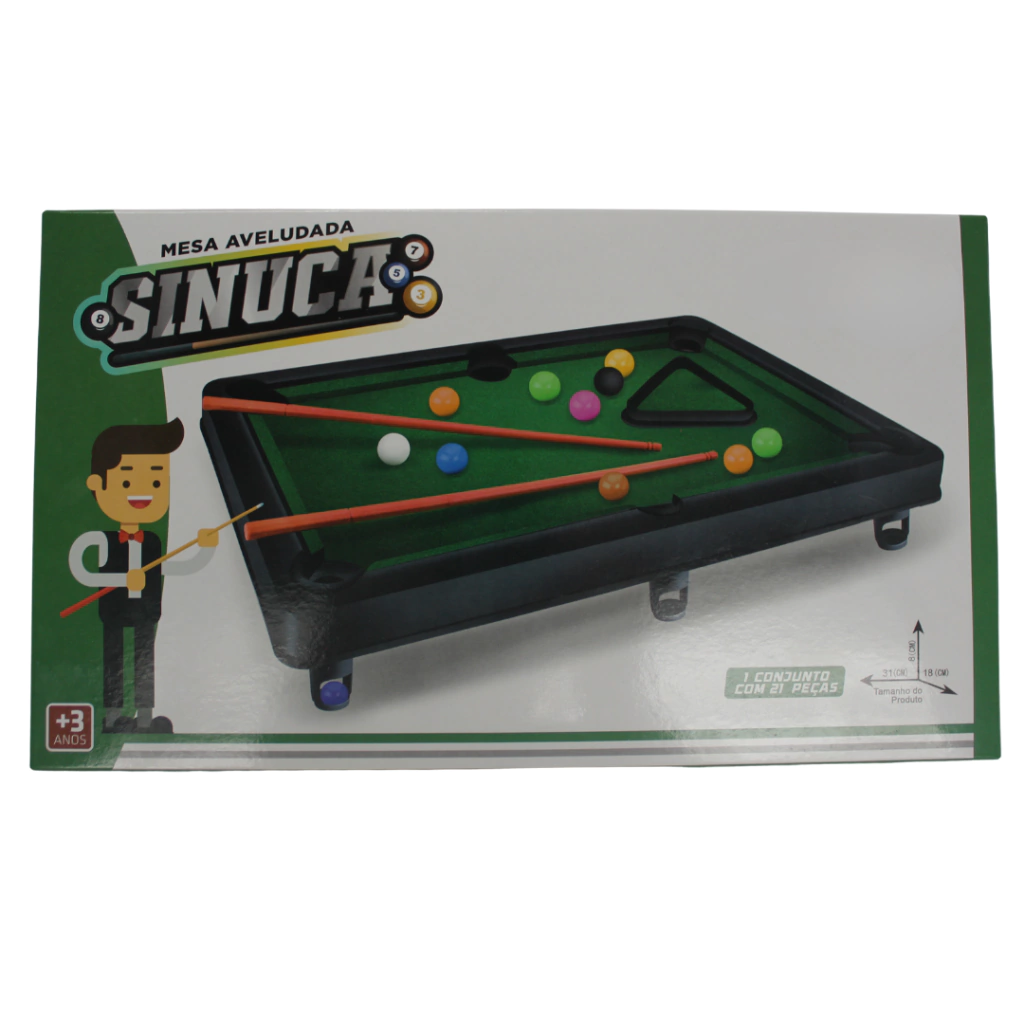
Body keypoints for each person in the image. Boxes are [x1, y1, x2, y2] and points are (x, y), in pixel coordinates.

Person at [68, 419, 218, 733]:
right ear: (97, 484)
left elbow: (174, 568)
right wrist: (123, 580)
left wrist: (204, 549)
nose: (142, 492)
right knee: (115, 663)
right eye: (126, 482)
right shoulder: (102, 540)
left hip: (147, 614)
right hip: (114, 611)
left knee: (144, 664)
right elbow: (80, 568)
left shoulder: (152, 541)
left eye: (156, 482)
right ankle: (112, 717)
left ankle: (145, 717)